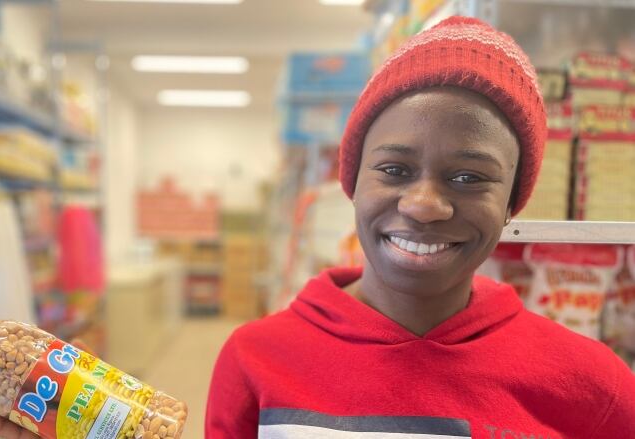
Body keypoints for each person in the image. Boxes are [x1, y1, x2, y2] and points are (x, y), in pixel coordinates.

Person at [205, 16, 635, 438]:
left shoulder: (594, 387)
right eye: (394, 169)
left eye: (468, 177)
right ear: (352, 180)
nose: (424, 205)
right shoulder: (255, 359)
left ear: (511, 203)